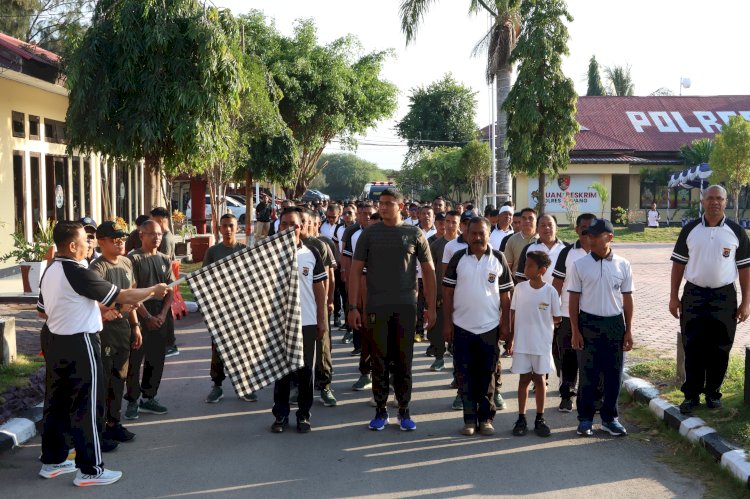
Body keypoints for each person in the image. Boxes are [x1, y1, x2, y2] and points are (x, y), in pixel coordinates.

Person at [38, 221, 169, 487]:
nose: (90, 244)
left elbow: (43, 310)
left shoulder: (51, 269)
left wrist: (90, 309)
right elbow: (120, 294)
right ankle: (90, 469)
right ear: (72, 246)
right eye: (86, 240)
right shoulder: (78, 270)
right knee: (88, 406)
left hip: (57, 343)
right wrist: (153, 290)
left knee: (57, 403)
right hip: (81, 343)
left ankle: (52, 461)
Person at [349, 188, 436, 431]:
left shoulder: (414, 233)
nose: (382, 207)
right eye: (381, 203)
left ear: (401, 206)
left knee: (403, 361)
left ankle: (404, 411)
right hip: (376, 306)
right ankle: (380, 410)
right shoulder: (369, 234)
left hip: (406, 307)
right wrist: (353, 306)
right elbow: (355, 271)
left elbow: (428, 272)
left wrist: (431, 307)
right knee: (379, 359)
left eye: (388, 203)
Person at [669, 185, 750, 414]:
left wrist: (746, 302)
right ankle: (691, 396)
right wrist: (674, 297)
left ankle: (713, 393)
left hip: (724, 296)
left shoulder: (736, 232)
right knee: (693, 345)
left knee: (720, 347)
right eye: (710, 198)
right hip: (694, 295)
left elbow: (745, 269)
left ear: (726, 202)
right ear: (703, 201)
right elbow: (678, 265)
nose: (715, 202)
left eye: (720, 199)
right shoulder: (690, 230)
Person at [443, 217, 513, 436]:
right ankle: (469, 420)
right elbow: (447, 293)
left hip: (490, 327)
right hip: (462, 327)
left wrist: (506, 325)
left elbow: (506, 296)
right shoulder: (457, 259)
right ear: (466, 235)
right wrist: (447, 324)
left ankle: (486, 419)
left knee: (487, 375)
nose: (477, 237)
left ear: (488, 234)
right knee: (464, 375)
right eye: (473, 233)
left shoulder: (498, 258)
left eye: (481, 233)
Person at [570, 218, 634, 437]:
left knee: (613, 374)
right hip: (588, 323)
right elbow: (573, 300)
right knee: (588, 374)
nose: (591, 239)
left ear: (610, 238)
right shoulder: (580, 264)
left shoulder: (623, 264)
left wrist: (629, 330)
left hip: (614, 323)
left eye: (596, 235)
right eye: (589, 235)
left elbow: (627, 299)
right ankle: (585, 419)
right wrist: (576, 330)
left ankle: (610, 418)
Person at [271, 208, 328, 433]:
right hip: (279, 322)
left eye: (292, 224)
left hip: (307, 321)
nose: (287, 228)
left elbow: (319, 289)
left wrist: (322, 319)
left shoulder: (311, 254)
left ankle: (303, 415)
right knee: (282, 372)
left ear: (300, 227)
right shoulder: (269, 255)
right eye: (283, 224)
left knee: (305, 372)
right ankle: (280, 415)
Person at [90, 221, 142, 448]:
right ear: (101, 242)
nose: (120, 242)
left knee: (120, 380)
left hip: (123, 333)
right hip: (105, 335)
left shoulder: (126, 262)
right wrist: (114, 310)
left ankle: (114, 423)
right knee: (104, 383)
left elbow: (131, 296)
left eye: (121, 238)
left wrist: (135, 326)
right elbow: (95, 305)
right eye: (114, 239)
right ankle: (99, 430)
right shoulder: (96, 269)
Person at [123, 220, 175, 420]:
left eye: (160, 234)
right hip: (139, 312)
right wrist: (147, 317)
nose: (157, 238)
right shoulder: (132, 259)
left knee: (157, 358)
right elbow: (131, 292)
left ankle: (149, 397)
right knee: (135, 360)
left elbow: (170, 289)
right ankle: (133, 400)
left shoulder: (164, 258)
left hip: (160, 313)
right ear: (141, 235)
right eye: (152, 234)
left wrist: (162, 315)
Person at [507, 251, 561, 437]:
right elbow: (512, 315)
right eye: (526, 264)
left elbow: (557, 317)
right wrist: (511, 339)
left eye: (530, 265)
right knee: (523, 380)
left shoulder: (551, 291)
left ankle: (540, 418)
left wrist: (542, 325)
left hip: (541, 345)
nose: (525, 268)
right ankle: (521, 417)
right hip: (522, 343)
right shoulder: (520, 289)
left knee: (539, 380)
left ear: (542, 270)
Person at [203, 214, 255, 404]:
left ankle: (245, 386)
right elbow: (205, 281)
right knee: (218, 350)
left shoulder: (245, 251)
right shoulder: (212, 252)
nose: (228, 230)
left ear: (237, 228)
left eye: (231, 226)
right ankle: (217, 386)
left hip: (241, 309)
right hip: (219, 309)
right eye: (224, 226)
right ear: (219, 228)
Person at [551, 213, 595, 412]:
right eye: (583, 228)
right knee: (568, 357)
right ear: (577, 230)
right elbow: (557, 283)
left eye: (591, 228)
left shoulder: (602, 252)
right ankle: (566, 395)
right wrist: (554, 311)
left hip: (594, 315)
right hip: (568, 315)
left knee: (591, 359)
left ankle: (592, 399)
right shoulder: (567, 253)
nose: (587, 232)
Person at [300, 210, 337, 408]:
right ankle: (297, 386)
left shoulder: (319, 246)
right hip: (295, 308)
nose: (301, 226)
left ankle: (324, 387)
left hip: (317, 304)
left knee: (322, 346)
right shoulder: (285, 246)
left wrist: (329, 301)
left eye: (304, 222)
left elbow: (329, 276)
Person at [426, 211, 458, 369]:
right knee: (439, 327)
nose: (450, 225)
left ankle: (457, 362)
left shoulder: (465, 244)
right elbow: (430, 272)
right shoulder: (435, 245)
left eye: (454, 222)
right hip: (440, 293)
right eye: (448, 221)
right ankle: (439, 357)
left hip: (461, 294)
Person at [514, 215, 567, 283]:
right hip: (534, 293)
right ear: (537, 229)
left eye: (550, 225)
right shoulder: (529, 248)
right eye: (543, 225)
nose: (547, 228)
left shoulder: (566, 248)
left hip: (561, 293)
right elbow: (520, 276)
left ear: (556, 228)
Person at [502, 208, 538, 283]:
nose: (527, 221)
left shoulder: (542, 239)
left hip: (540, 285)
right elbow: (507, 267)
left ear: (536, 221)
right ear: (521, 221)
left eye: (530, 218)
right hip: (517, 283)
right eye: (524, 218)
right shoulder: (512, 240)